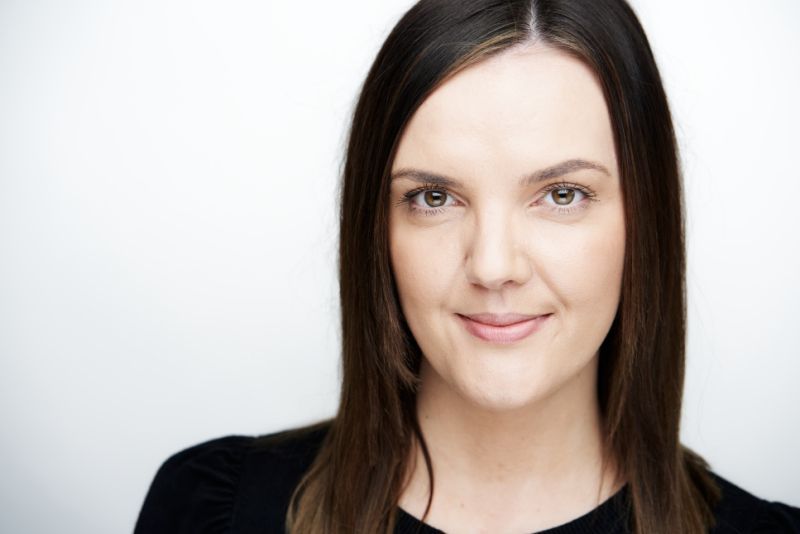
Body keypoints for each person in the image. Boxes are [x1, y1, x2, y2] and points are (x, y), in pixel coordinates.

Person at [133, 1, 800, 533]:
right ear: (378, 229)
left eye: (561, 195)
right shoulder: (210, 512)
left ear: (644, 223)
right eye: (435, 197)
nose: (493, 265)